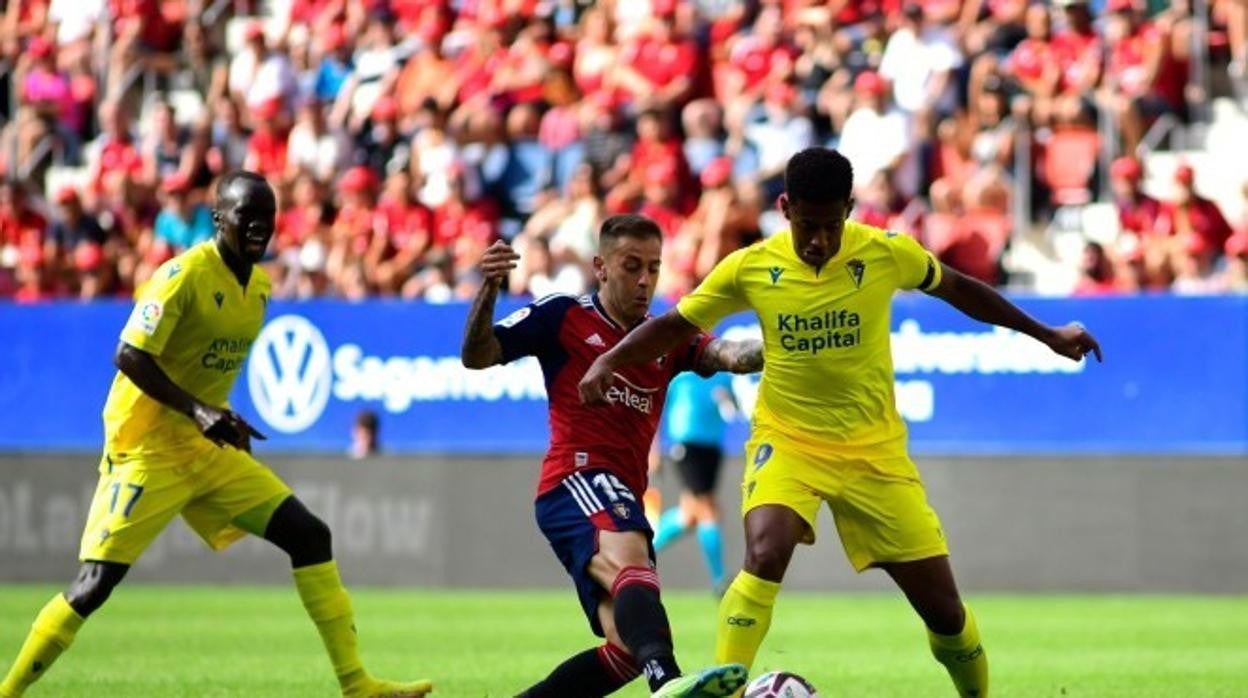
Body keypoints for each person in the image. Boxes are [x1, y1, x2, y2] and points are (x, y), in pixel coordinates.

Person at [580, 148, 1103, 698]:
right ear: (785, 208)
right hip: (788, 439)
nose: (819, 241)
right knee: (764, 550)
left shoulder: (885, 253)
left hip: (874, 452)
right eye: (808, 226)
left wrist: (1046, 333)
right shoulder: (750, 267)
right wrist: (608, 361)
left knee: (944, 612)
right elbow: (674, 326)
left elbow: (961, 290)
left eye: (832, 226)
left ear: (850, 210)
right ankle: (726, 693)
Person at [0, 172, 432, 698]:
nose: (259, 228)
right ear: (219, 219)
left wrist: (221, 417)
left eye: (268, 219)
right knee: (94, 585)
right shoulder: (181, 276)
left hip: (207, 448)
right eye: (247, 217)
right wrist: (200, 410)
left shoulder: (261, 287)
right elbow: (129, 354)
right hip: (148, 451)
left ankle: (356, 684)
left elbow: (207, 368)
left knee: (310, 535)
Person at [461, 214, 760, 698]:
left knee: (624, 651)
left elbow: (727, 353)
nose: (644, 280)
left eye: (654, 268)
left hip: (621, 492)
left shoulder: (663, 337)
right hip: (574, 478)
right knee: (630, 557)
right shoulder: (563, 315)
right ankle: (667, 681)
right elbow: (477, 355)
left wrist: (784, 344)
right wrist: (489, 289)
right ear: (601, 266)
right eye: (631, 266)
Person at [651, 370, 736, 595]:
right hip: (687, 445)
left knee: (689, 516)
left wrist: (726, 400)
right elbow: (655, 411)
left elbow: (733, 408)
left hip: (712, 448)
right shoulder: (680, 375)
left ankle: (641, 553)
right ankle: (720, 581)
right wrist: (654, 450)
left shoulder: (722, 375)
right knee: (708, 510)